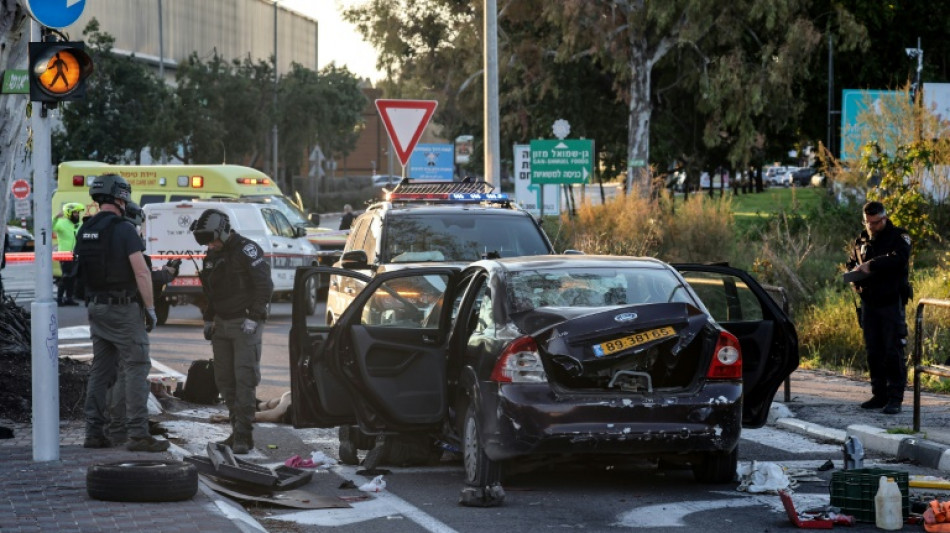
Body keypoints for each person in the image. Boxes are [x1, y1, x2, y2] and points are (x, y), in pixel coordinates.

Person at [75, 174, 168, 452]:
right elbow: (141, 272)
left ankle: (94, 433)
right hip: (122, 308)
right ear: (120, 197)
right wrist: (150, 309)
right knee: (137, 365)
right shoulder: (124, 230)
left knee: (101, 371)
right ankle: (138, 434)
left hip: (96, 307)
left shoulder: (86, 229)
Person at [191, 208, 272, 454]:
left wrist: (255, 316)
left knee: (244, 380)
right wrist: (208, 319)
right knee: (224, 381)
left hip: (245, 324)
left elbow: (264, 284)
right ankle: (236, 429)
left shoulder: (247, 250)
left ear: (224, 232)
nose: (210, 245)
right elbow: (210, 292)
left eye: (212, 240)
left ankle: (243, 436)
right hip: (221, 324)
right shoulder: (212, 255)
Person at [104, 201, 181, 446]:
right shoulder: (128, 239)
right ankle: (136, 432)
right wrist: (167, 274)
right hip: (128, 313)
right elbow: (143, 276)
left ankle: (114, 428)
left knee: (116, 372)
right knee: (133, 370)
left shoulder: (107, 239)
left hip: (105, 313)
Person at [846, 201, 912, 415]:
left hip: (890, 302)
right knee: (873, 351)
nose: (871, 227)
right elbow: (852, 261)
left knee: (892, 350)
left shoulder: (898, 237)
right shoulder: (862, 239)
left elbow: (899, 259)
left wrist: (872, 264)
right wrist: (853, 272)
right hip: (869, 302)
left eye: (875, 223)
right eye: (868, 223)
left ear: (884, 218)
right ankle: (879, 394)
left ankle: (895, 398)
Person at [53, 202, 84, 306]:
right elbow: (50, 227)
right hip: (64, 254)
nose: (77, 215)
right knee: (65, 277)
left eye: (78, 213)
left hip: (76, 254)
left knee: (72, 278)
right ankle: (59, 298)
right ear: (68, 213)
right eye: (75, 213)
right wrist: (55, 218)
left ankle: (69, 298)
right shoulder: (61, 223)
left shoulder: (79, 225)